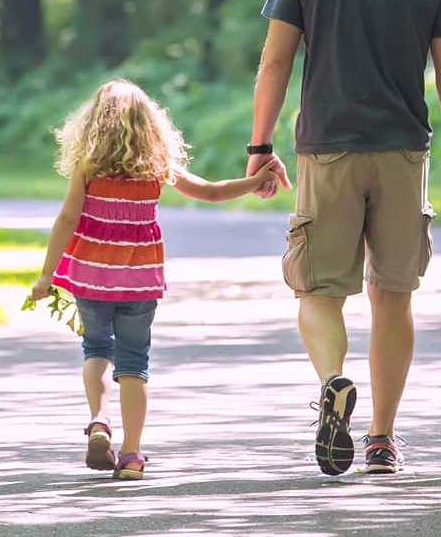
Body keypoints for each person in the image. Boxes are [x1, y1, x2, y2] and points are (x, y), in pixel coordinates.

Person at [247, 0, 441, 476]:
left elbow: (274, 65)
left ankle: (332, 382)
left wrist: (260, 146)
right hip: (404, 154)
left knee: (318, 290)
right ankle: (381, 438)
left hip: (327, 150)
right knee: (393, 295)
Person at [28, 79, 278, 480]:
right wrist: (255, 180)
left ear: (94, 123)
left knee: (95, 349)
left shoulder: (88, 167)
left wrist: (46, 275)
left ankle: (98, 421)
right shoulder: (157, 165)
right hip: (139, 281)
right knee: (134, 364)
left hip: (92, 277)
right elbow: (211, 193)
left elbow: (68, 219)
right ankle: (130, 455)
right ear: (149, 124)